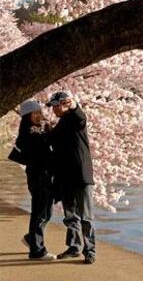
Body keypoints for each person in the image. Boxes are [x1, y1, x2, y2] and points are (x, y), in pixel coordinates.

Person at [46, 91, 96, 264]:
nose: (53, 110)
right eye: (52, 107)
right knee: (70, 216)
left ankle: (89, 250)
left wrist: (73, 105)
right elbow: (51, 140)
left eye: (55, 106)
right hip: (65, 177)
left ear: (63, 104)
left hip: (81, 176)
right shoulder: (61, 124)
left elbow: (81, 117)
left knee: (86, 217)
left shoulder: (75, 120)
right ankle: (74, 247)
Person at [8, 100, 56, 260]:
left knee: (46, 213)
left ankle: (31, 238)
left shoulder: (38, 130)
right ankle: (37, 251)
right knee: (40, 213)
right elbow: (41, 151)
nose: (39, 116)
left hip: (44, 176)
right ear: (27, 116)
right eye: (35, 113)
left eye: (39, 112)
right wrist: (48, 134)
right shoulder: (29, 132)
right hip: (38, 177)